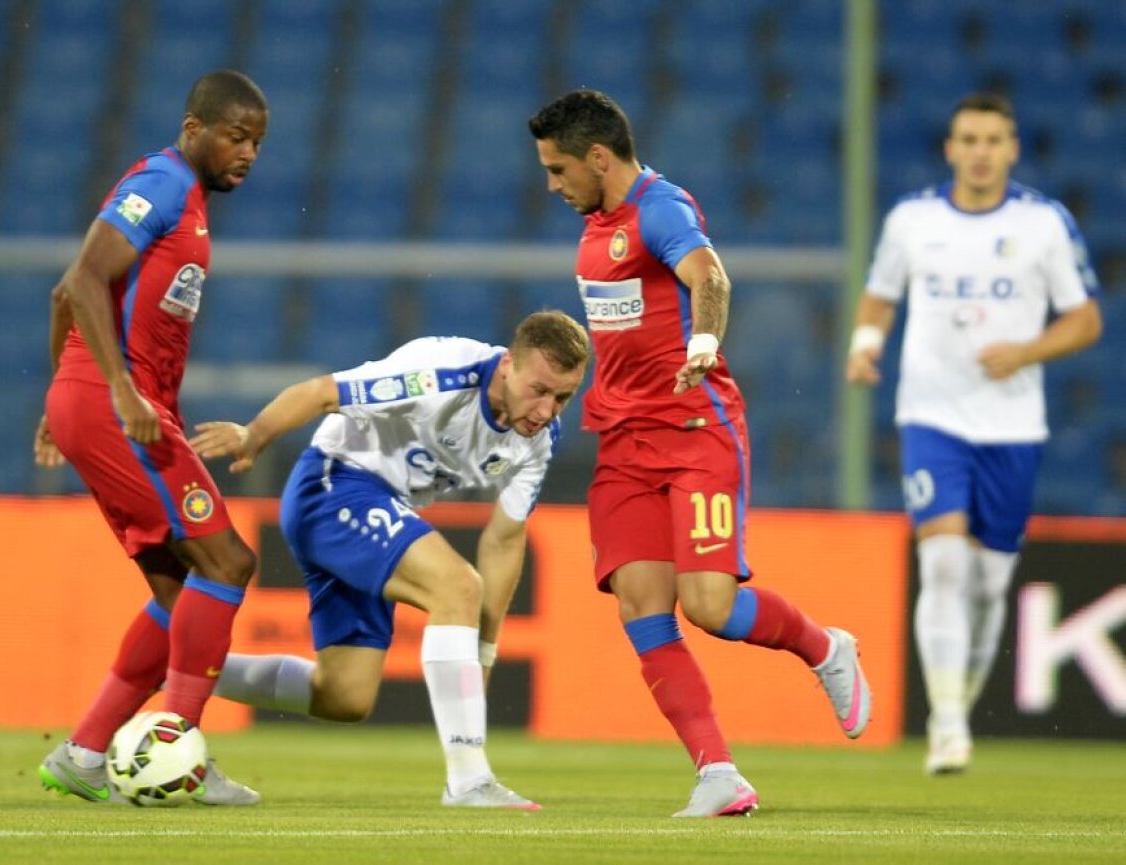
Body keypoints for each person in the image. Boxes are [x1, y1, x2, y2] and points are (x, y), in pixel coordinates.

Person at [527, 90, 872, 818]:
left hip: (694, 434)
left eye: (559, 170)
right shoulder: (595, 229)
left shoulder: (661, 208)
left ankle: (824, 647)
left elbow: (709, 277)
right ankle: (719, 772)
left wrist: (704, 345)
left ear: (598, 157)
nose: (552, 186)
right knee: (641, 609)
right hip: (623, 444)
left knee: (710, 606)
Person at [190, 310, 590, 809]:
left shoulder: (537, 443)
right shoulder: (440, 374)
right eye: (540, 390)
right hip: (335, 485)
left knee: (344, 694)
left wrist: (484, 650)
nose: (548, 410)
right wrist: (256, 434)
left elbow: (505, 540)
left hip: (380, 507)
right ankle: (469, 780)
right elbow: (321, 393)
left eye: (563, 397)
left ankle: (177, 666)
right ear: (508, 365)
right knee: (457, 586)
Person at [846, 92, 1102, 775]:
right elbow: (880, 290)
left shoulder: (1044, 224)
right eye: (969, 138)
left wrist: (1025, 352)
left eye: (994, 139)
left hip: (1013, 424)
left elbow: (1086, 320)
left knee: (989, 581)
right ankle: (948, 720)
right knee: (944, 562)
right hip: (932, 415)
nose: (981, 150)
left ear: (1012, 149)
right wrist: (866, 341)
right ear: (950, 148)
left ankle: (962, 697)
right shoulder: (912, 219)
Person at [33, 70, 269, 805]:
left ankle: (85, 750)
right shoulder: (161, 183)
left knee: (179, 588)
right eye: (236, 136)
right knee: (227, 559)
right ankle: (179, 749)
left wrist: (62, 393)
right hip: (119, 406)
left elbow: (62, 298)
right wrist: (115, 387)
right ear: (194, 127)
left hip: (102, 401)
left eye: (258, 142)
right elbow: (80, 279)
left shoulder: (188, 200)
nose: (248, 153)